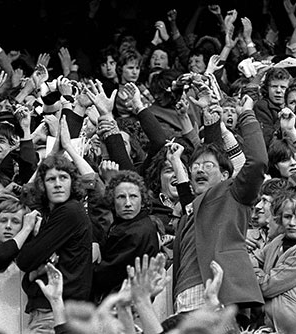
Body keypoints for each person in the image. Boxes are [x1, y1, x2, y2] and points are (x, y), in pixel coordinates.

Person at [170, 94, 268, 317]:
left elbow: (259, 162)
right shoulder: (190, 211)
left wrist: (246, 115)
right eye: (195, 166)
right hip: (181, 299)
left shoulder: (232, 194)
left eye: (207, 165)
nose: (200, 170)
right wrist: (177, 162)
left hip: (220, 294)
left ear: (225, 175)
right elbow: (192, 203)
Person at [16, 116, 94, 333]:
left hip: (56, 313)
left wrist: (68, 147)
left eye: (63, 178)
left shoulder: (71, 212)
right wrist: (52, 155)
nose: (58, 184)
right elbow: (26, 197)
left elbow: (25, 259)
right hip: (53, 311)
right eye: (51, 179)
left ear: (73, 183)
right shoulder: (53, 212)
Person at [251, 191, 296, 333]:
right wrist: (256, 270)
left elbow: (266, 286)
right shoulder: (279, 240)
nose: (292, 223)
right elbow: (253, 259)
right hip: (274, 325)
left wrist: (254, 272)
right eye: (287, 217)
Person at [92, 170, 160, 302]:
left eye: (133, 196)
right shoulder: (125, 225)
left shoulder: (138, 231)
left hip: (127, 304)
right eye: (121, 197)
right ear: (113, 200)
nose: (128, 203)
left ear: (142, 200)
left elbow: (106, 275)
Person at [0, 197, 40, 272]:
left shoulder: (32, 252)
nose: (8, 226)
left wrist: (30, 229)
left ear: (25, 224)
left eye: (15, 222)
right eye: (3, 221)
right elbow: (1, 256)